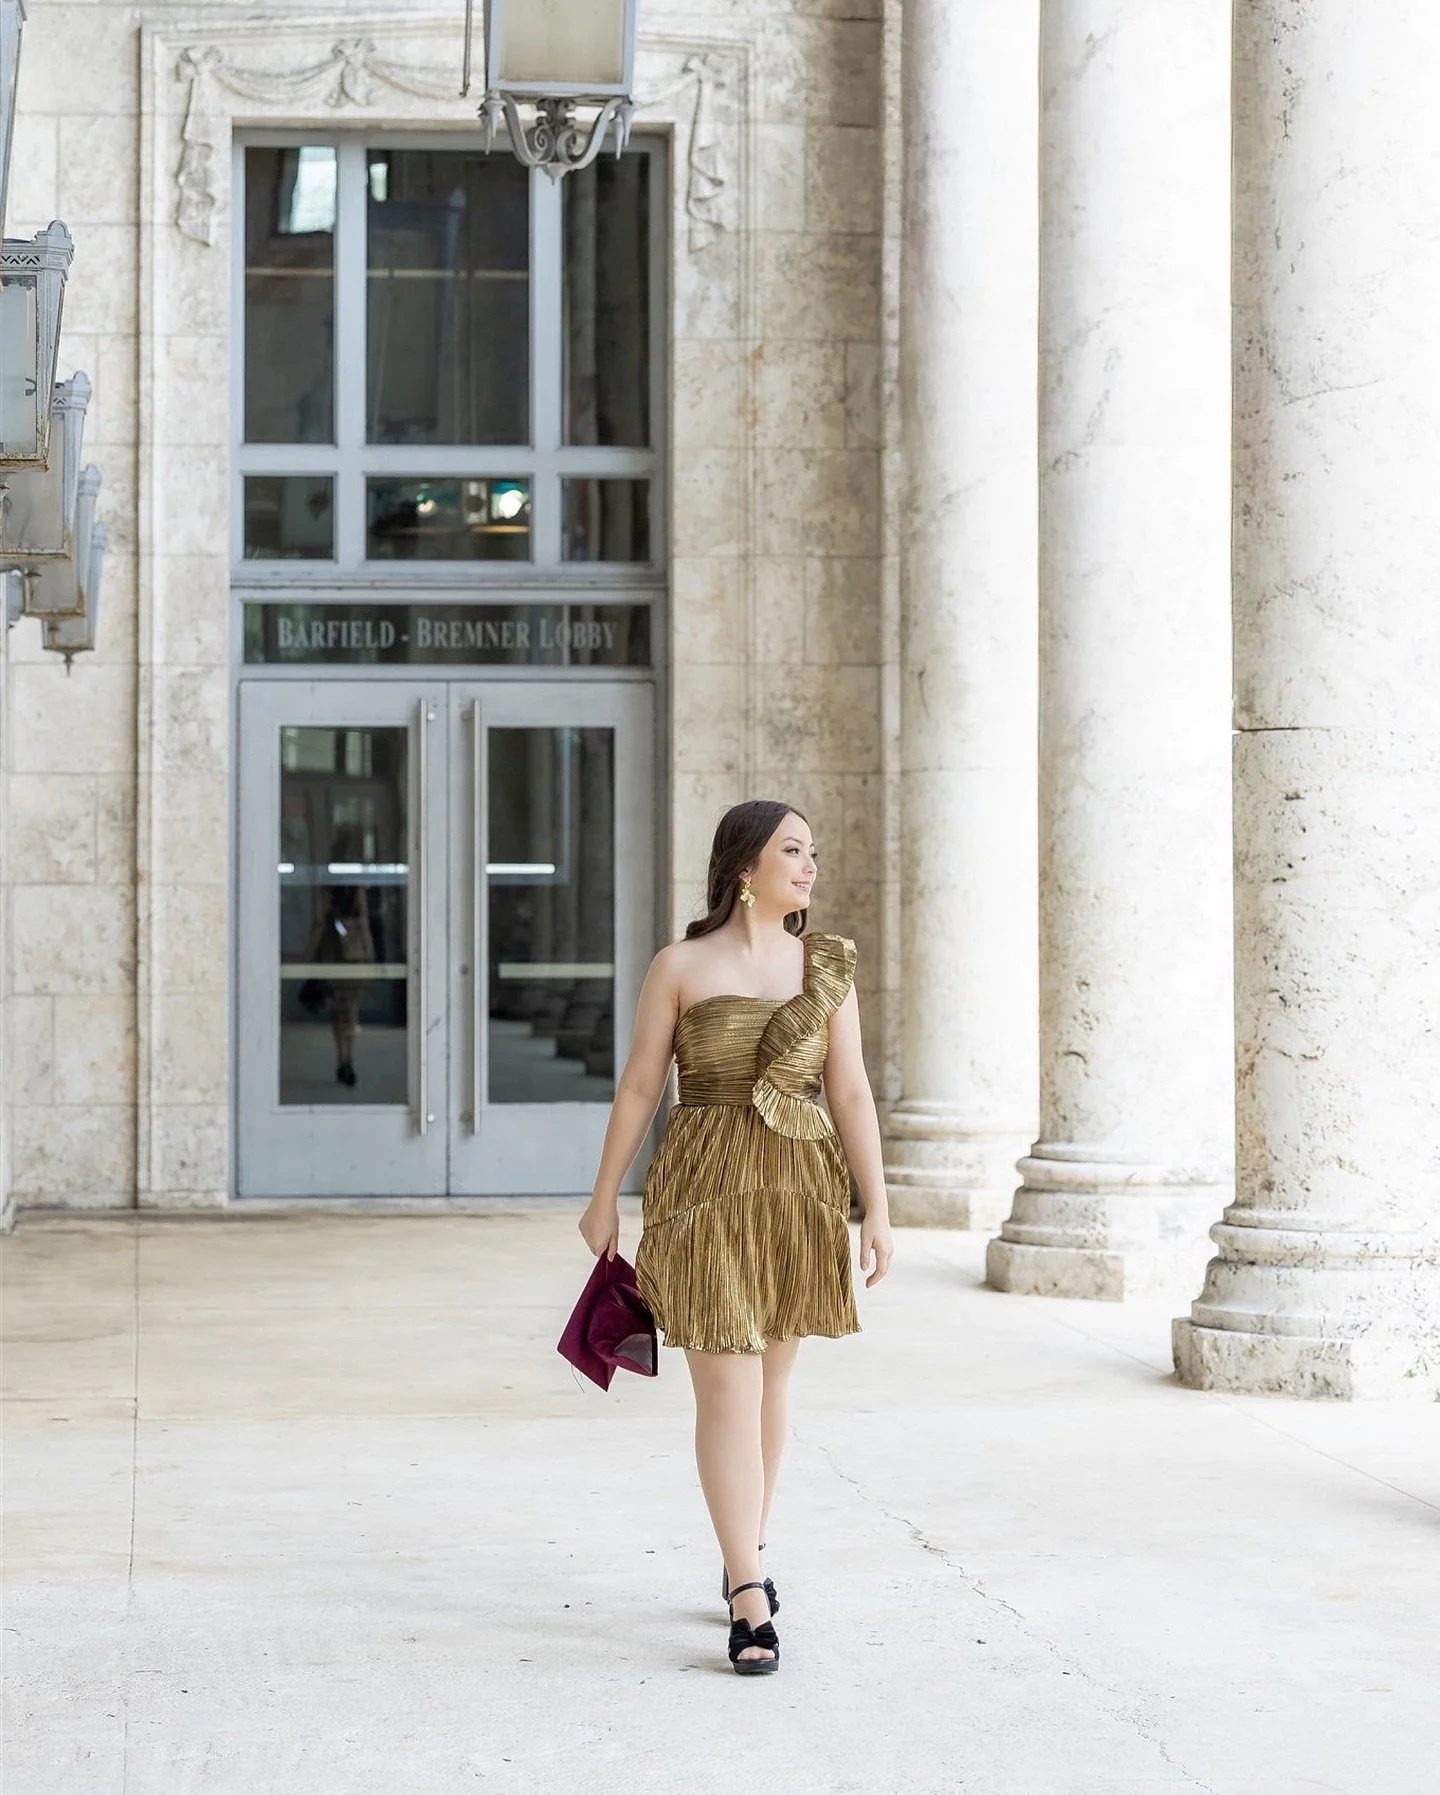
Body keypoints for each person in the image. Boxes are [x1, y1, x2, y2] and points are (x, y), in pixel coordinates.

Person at [578, 799, 895, 1676]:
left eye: (814, 852)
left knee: (771, 1388)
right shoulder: (680, 965)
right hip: (703, 1192)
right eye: (793, 850)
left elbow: (853, 1093)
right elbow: (642, 1086)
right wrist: (604, 1195)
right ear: (743, 867)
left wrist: (879, 1207)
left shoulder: (825, 967)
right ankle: (750, 1594)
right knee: (727, 1387)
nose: (810, 865)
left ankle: (742, 1545)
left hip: (798, 1192)